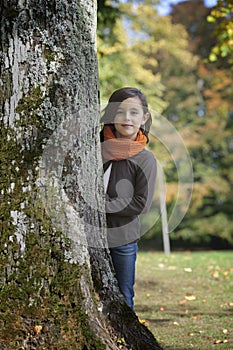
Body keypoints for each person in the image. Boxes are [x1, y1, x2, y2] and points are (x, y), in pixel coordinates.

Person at [100, 87, 157, 309]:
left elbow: (140, 203)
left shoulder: (145, 160)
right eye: (120, 112)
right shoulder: (93, 148)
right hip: (85, 235)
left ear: (144, 118)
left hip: (122, 238)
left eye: (134, 113)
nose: (126, 118)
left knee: (123, 296)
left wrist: (100, 207)